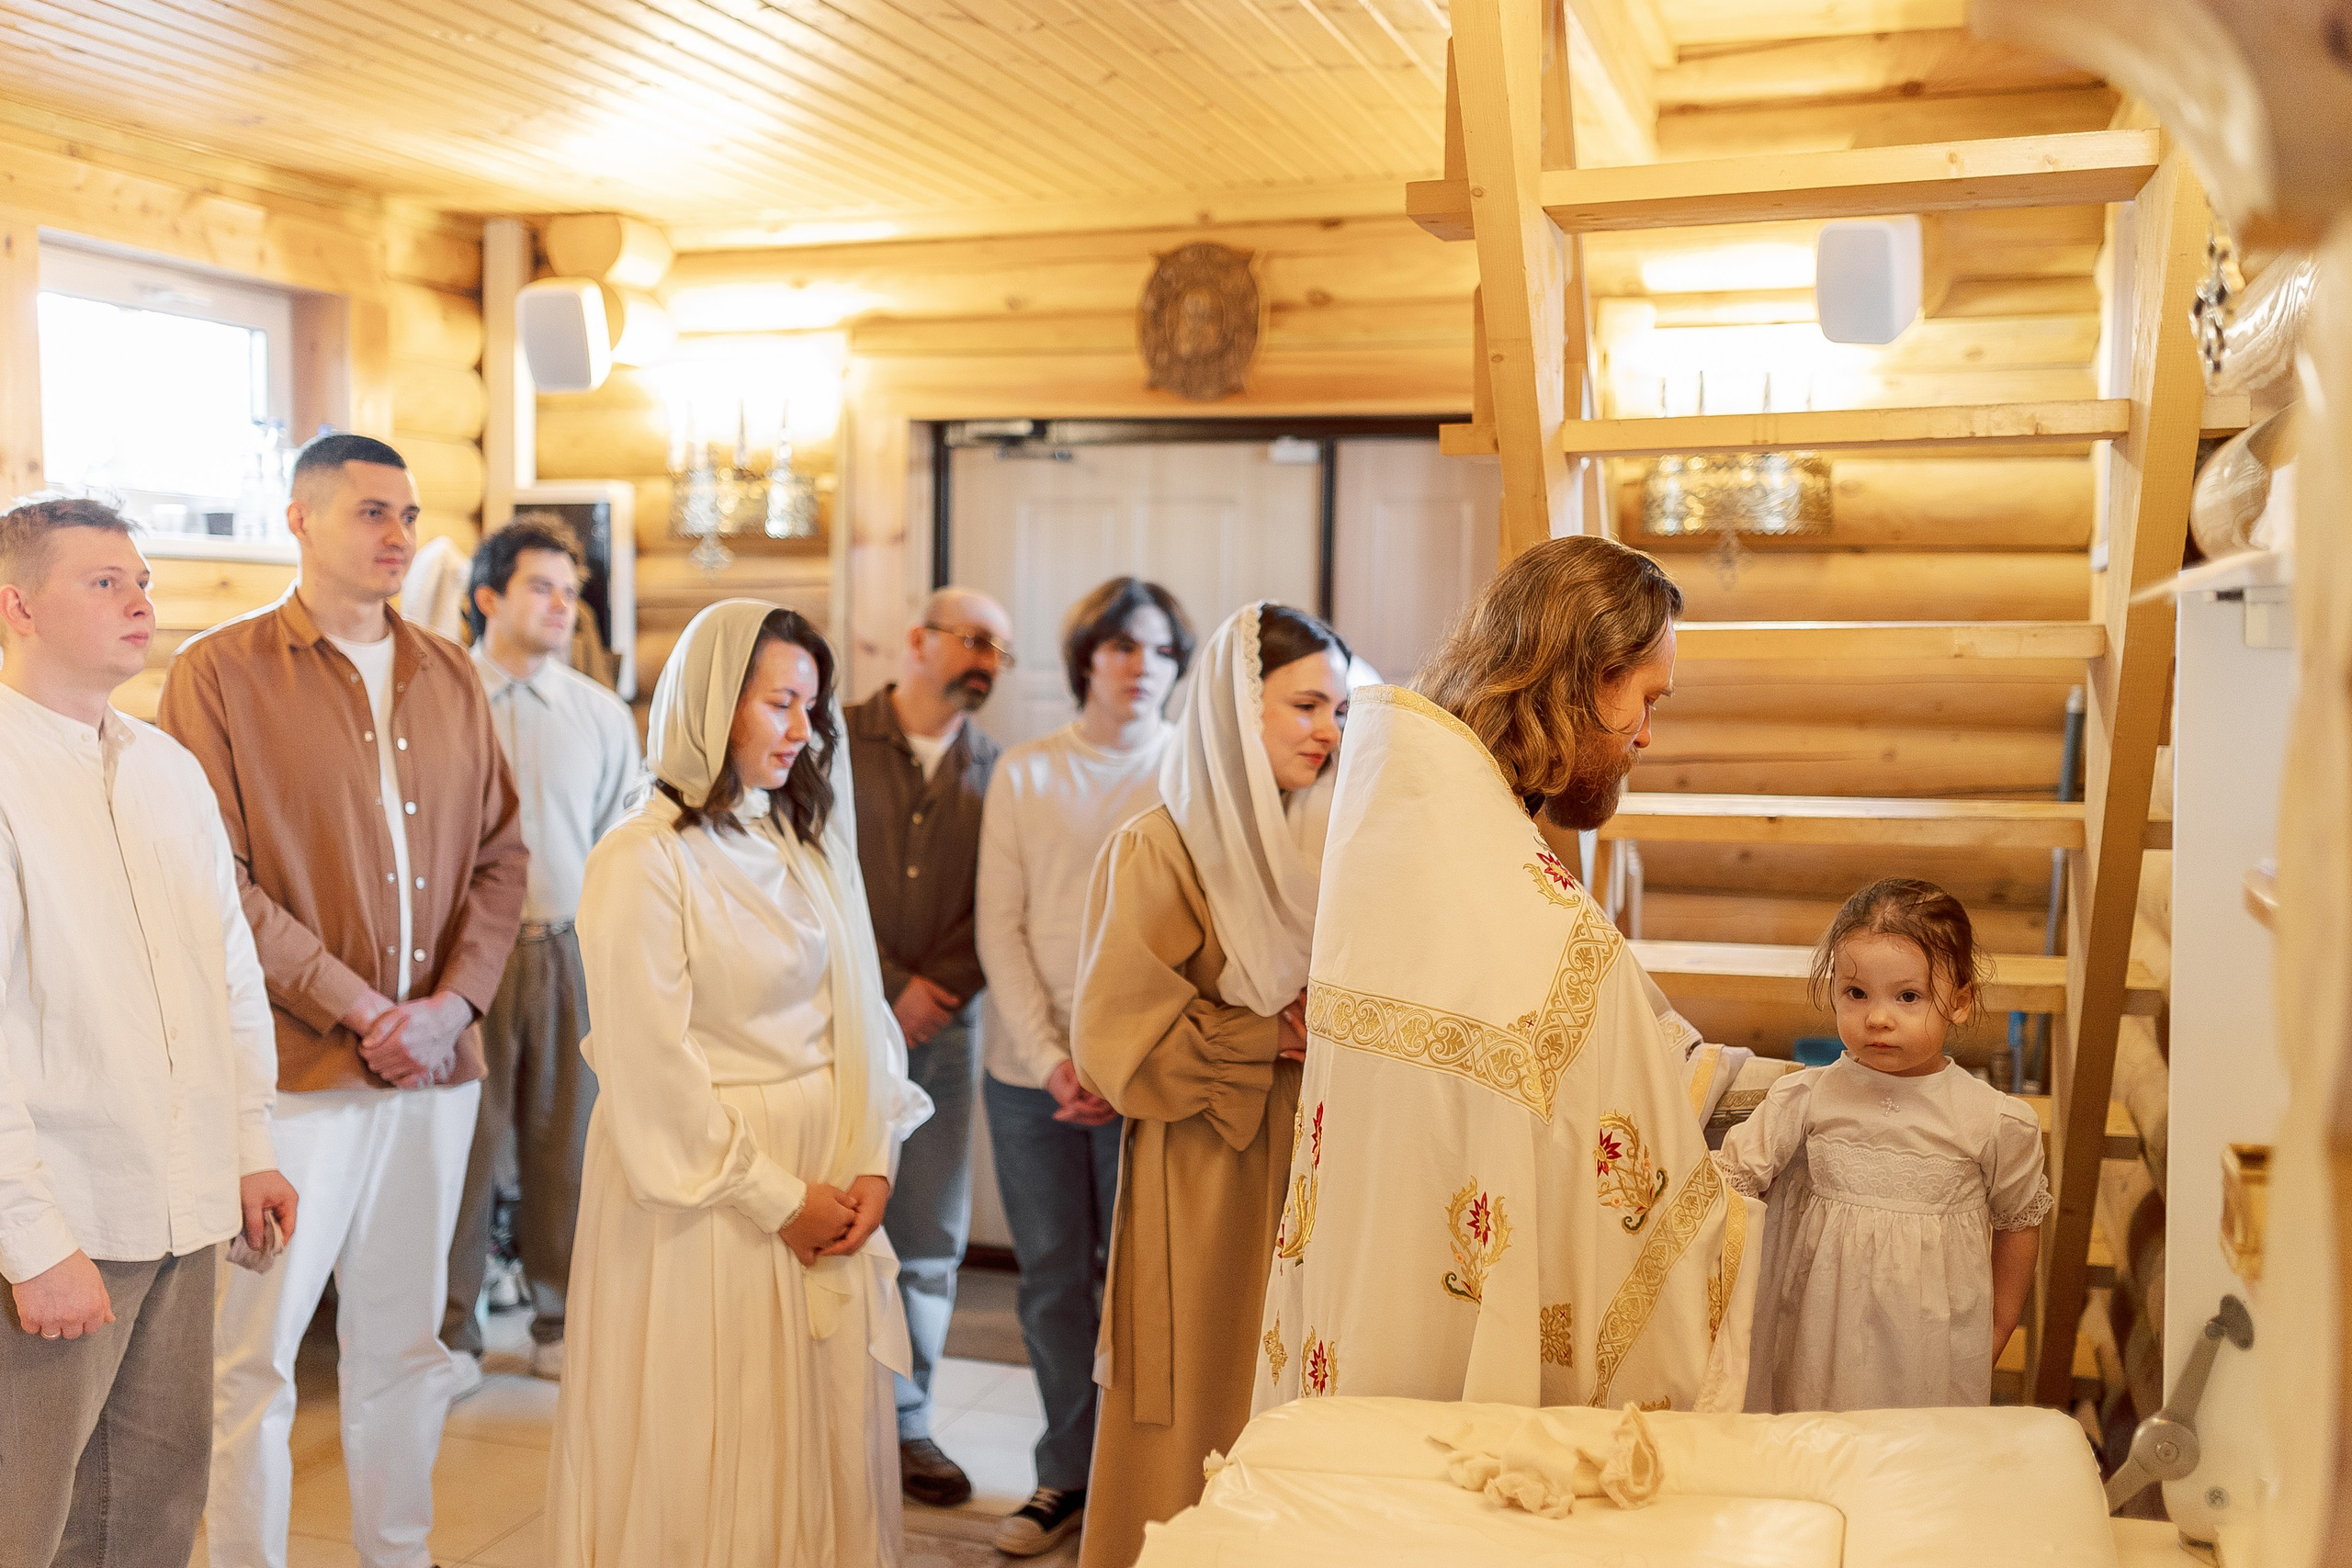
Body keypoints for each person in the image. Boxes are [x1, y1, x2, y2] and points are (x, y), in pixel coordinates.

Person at [1255, 535, 1758, 1417]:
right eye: (1646, 700)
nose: (1647, 733)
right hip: (1462, 1405)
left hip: (1361, 1330)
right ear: (1591, 675)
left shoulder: (1408, 820)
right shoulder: (1508, 893)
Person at [158, 433, 528, 1568]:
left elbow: (502, 860)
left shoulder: (452, 672)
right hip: (297, 1074)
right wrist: (363, 1006)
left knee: (405, 1344)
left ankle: (397, 1554)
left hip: (436, 1071)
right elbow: (214, 877)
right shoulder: (218, 672)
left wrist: (451, 1009)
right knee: (254, 1358)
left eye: (408, 514)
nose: (401, 537)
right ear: (301, 520)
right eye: (373, 512)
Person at [548, 600, 931, 1567]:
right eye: (780, 704)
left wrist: (873, 1157)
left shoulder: (796, 841)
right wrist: (777, 1199)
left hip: (827, 1163)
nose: (803, 732)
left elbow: (862, 1014)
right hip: (706, 1193)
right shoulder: (642, 858)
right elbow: (648, 1071)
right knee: (714, 1426)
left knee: (817, 1430)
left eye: (812, 708)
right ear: (713, 705)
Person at [0, 498, 298, 1568]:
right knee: (23, 1521)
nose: (141, 601)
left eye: (144, 582)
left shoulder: (169, 769)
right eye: (105, 582)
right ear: (17, 603)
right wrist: (32, 1242)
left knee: (153, 1516)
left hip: (183, 1204)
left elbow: (228, 975)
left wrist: (249, 1149)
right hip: (59, 1221)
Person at [1070, 603, 1352, 1568]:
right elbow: (1117, 1039)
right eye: (1306, 705)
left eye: (1342, 711)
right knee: (1201, 1394)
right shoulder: (1162, 847)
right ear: (1239, 710)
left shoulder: (1348, 844)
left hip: (1328, 1153)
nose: (1328, 729)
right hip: (1207, 1164)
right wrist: (1264, 1033)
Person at [975, 577, 1195, 1558]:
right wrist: (1055, 1060)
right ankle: (1062, 1476)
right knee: (1056, 1281)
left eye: (1158, 651)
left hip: (1148, 1076)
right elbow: (1001, 930)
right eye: (1120, 649)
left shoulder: (1192, 771)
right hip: (1032, 1081)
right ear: (1085, 662)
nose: (1140, 668)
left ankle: (1138, 1482)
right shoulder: (1025, 773)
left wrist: (1117, 1060)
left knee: (1144, 1287)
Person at [1715, 878, 2051, 1412]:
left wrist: (2001, 1321)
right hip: (1816, 1338)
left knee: (1913, 1469)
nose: (1877, 1017)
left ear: (1960, 1001)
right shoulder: (1805, 1100)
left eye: (1908, 996)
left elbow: (2018, 1221)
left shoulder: (1994, 1122)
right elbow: (1727, 1188)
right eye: (1856, 993)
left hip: (1931, 1344)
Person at [441, 518, 641, 1385]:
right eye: (541, 587)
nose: (563, 605)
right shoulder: (437, 699)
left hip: (567, 948)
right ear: (488, 597)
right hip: (459, 964)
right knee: (462, 1151)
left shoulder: (598, 713)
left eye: (571, 591)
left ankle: (561, 1318)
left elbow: (621, 837)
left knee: (567, 1145)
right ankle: (452, 1333)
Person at [843, 586, 1012, 1507]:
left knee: (927, 1238)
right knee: (832, 1216)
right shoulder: (830, 741)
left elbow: (1002, 900)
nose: (986, 659)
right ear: (917, 639)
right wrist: (882, 985)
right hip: (834, 1025)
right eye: (974, 640)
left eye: (1000, 650)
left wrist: (931, 991)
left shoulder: (999, 770)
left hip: (943, 1032)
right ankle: (832, 1411)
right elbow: (806, 869)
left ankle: (910, 1425)